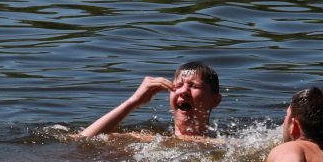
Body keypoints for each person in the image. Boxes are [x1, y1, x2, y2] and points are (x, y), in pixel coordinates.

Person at [79, 61, 222, 140]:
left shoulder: (225, 146)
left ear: (215, 101)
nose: (183, 91)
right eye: (177, 85)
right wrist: (133, 102)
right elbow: (81, 141)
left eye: (194, 86)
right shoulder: (147, 140)